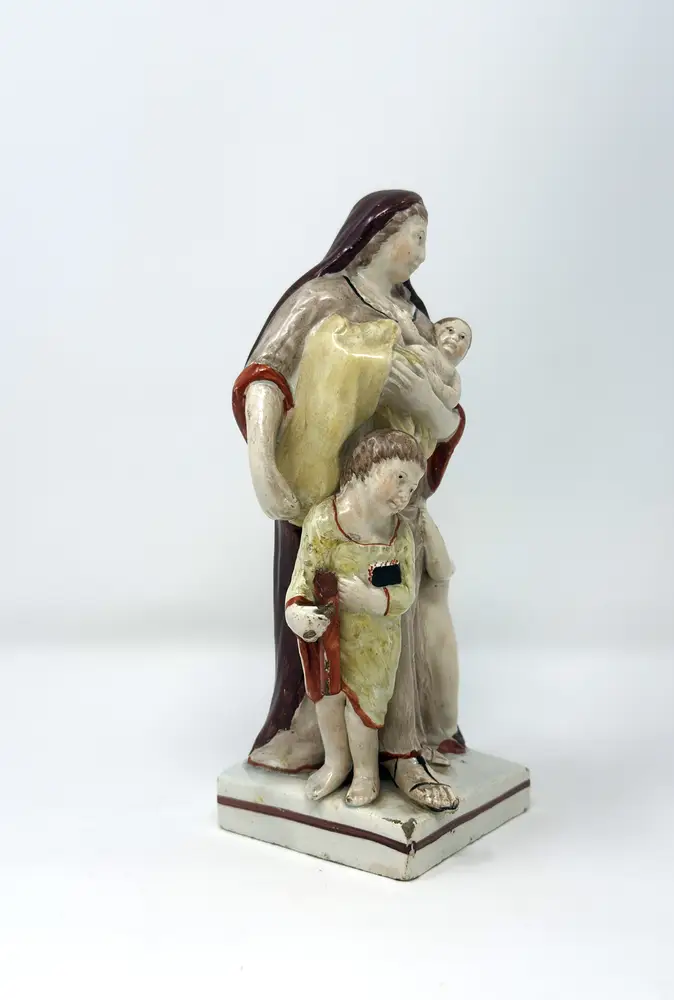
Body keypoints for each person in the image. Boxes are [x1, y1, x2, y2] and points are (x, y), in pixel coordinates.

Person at [233, 190, 467, 812]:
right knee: (331, 609)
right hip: (335, 506)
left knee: (396, 605)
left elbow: (447, 418)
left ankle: (404, 745)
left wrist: (423, 404)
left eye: (425, 239)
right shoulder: (322, 299)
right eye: (415, 236)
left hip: (397, 509)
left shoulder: (416, 318)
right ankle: (332, 745)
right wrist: (263, 463)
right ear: (375, 236)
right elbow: (267, 375)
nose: (422, 253)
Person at [284, 430, 424, 808]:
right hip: (329, 633)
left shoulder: (400, 534)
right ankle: (336, 763)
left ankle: (366, 773)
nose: (405, 493)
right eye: (399, 478)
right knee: (329, 702)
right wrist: (297, 612)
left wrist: (373, 599)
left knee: (364, 710)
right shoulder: (324, 521)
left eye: (412, 487)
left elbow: (406, 591)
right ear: (369, 467)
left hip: (376, 641)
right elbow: (302, 578)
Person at [399, 316, 472, 411]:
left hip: (418, 398)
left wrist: (432, 378)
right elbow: (413, 336)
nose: (454, 338)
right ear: (436, 329)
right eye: (450, 330)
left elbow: (452, 399)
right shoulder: (429, 347)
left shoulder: (454, 375)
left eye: (462, 337)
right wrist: (403, 319)